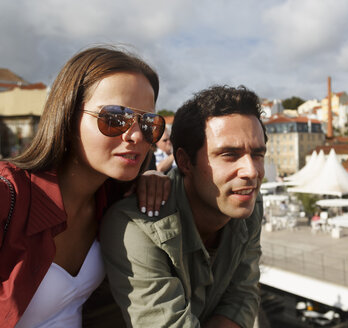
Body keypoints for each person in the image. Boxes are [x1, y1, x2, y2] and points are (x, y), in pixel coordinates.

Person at [0, 45, 170, 328]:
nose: (137, 135)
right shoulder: (9, 195)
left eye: (148, 122)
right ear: (67, 116)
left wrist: (151, 178)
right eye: (115, 118)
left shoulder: (116, 197)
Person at [100, 85, 267, 327]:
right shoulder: (138, 226)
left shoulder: (249, 205)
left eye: (258, 154)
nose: (251, 171)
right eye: (229, 155)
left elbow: (242, 294)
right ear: (185, 162)